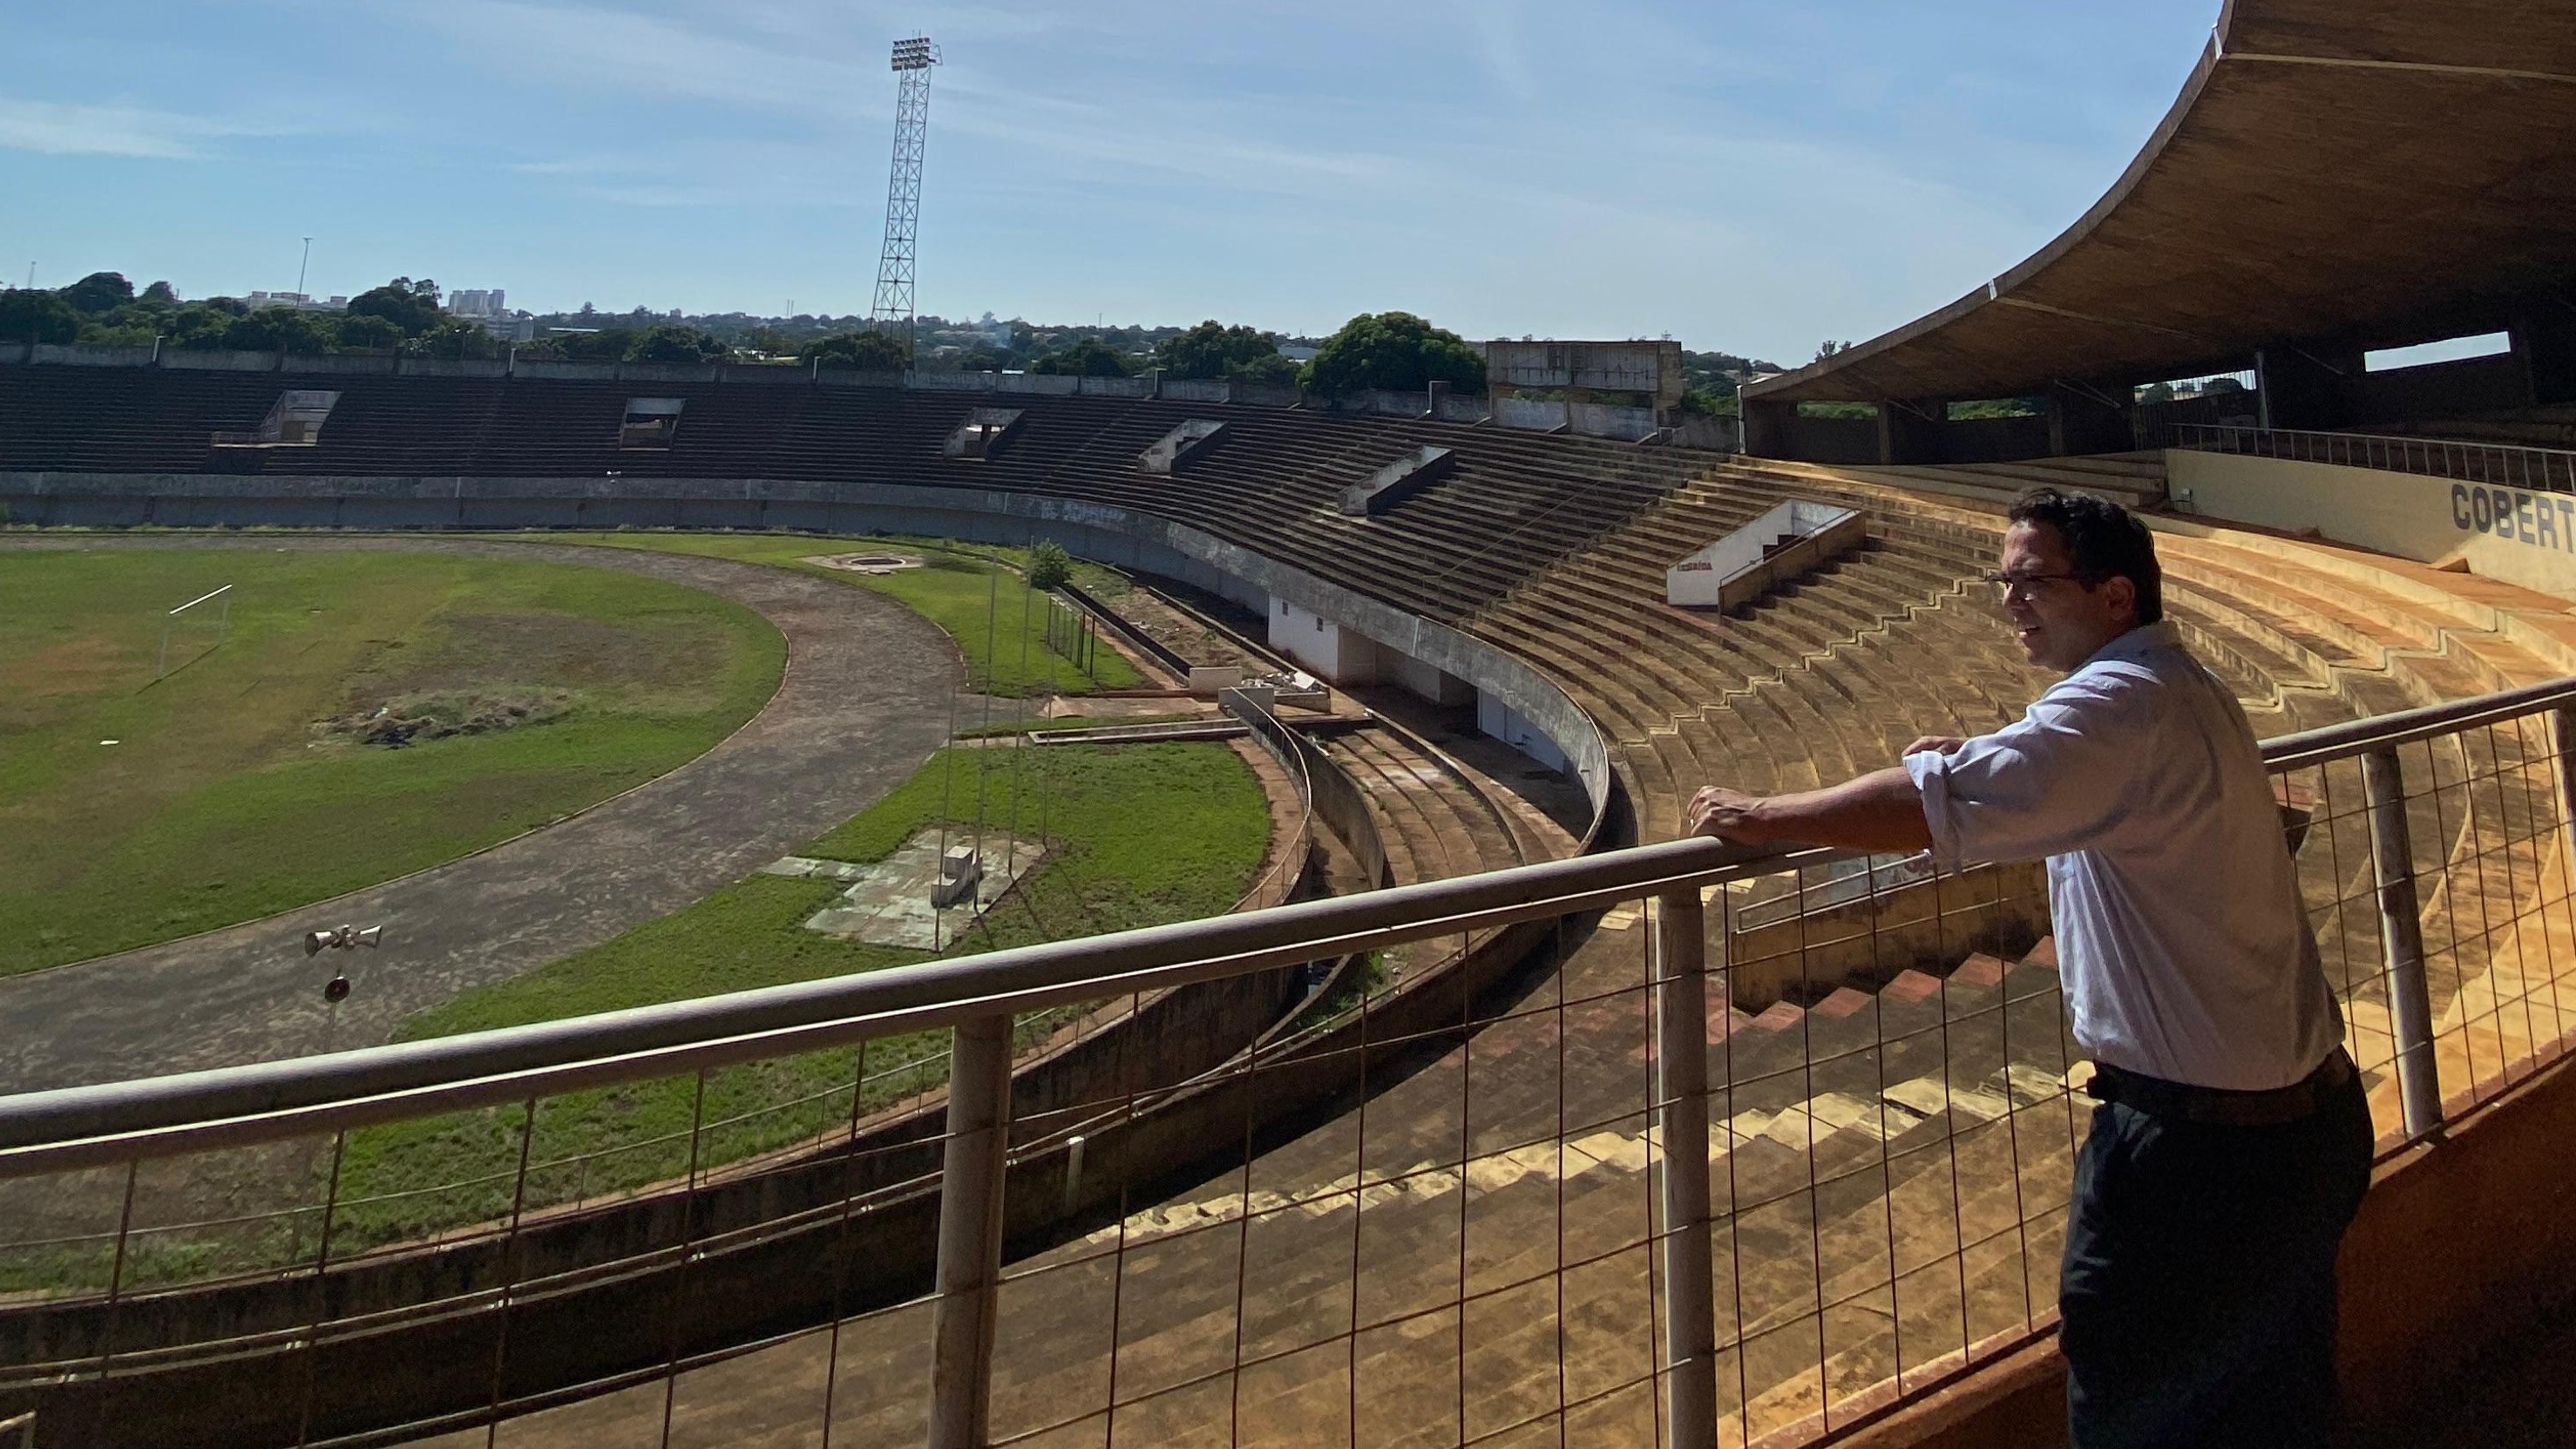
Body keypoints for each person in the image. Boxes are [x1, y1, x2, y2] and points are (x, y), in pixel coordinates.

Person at [1686, 486, 2372, 1448]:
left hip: (2200, 1156)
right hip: (2299, 1126)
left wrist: (1765, 817)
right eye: (2002, 581)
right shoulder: (2171, 688)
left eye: (2033, 582)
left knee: (2138, 1406)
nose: (2009, 600)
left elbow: (1931, 807)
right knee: (2275, 1405)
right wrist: (1982, 756)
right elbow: (2068, 784)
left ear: (2115, 596)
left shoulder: (2119, 705)